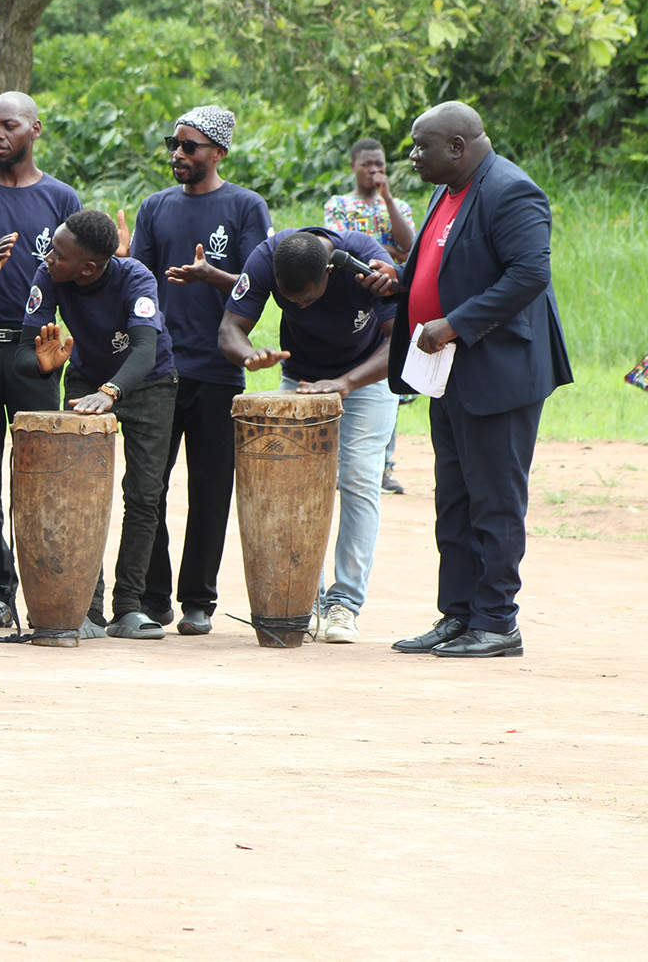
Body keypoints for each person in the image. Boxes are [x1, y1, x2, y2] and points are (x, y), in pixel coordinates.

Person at [374, 102, 571, 659]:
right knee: (455, 500)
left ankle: (497, 621)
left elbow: (530, 274)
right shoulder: (449, 188)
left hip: (499, 372)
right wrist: (400, 283)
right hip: (447, 372)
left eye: (421, 147)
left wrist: (455, 324)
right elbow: (442, 261)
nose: (412, 157)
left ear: (457, 146)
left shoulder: (511, 191)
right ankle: (457, 615)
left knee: (495, 501)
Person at [125, 104, 271, 635]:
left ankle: (198, 601)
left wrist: (213, 275)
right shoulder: (155, 207)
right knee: (149, 487)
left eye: (189, 147)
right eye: (174, 145)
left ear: (219, 153)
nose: (178, 155)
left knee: (211, 491)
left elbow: (260, 283)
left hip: (217, 372)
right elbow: (137, 280)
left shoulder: (245, 206)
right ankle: (154, 596)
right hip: (159, 372)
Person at [217, 227, 397, 644]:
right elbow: (230, 328)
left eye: (308, 298)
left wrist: (346, 383)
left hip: (367, 377)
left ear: (330, 275)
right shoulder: (268, 258)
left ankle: (344, 605)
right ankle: (305, 600)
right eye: (290, 299)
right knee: (294, 485)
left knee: (356, 480)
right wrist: (250, 355)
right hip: (301, 379)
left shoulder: (363, 261)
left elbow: (398, 342)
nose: (298, 306)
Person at [0, 91, 81, 629]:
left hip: (34, 353)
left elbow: (82, 277)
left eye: (8, 125)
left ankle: (55, 592)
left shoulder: (61, 198)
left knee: (43, 476)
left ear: (36, 130)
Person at [17, 209, 178, 638]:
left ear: (88, 267)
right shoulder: (48, 274)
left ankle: (128, 607)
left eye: (59, 253)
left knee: (144, 495)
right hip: (88, 379)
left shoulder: (136, 278)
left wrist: (111, 392)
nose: (48, 257)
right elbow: (23, 352)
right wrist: (42, 365)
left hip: (149, 383)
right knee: (79, 495)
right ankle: (85, 606)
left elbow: (145, 350)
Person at [325, 138, 416, 495]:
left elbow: (407, 245)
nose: (374, 170)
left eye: (379, 164)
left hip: (389, 302)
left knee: (387, 384)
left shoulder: (399, 205)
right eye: (367, 164)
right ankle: (340, 462)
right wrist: (387, 251)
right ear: (353, 166)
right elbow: (344, 246)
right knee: (349, 379)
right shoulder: (339, 205)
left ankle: (383, 466)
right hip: (351, 302)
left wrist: (388, 199)